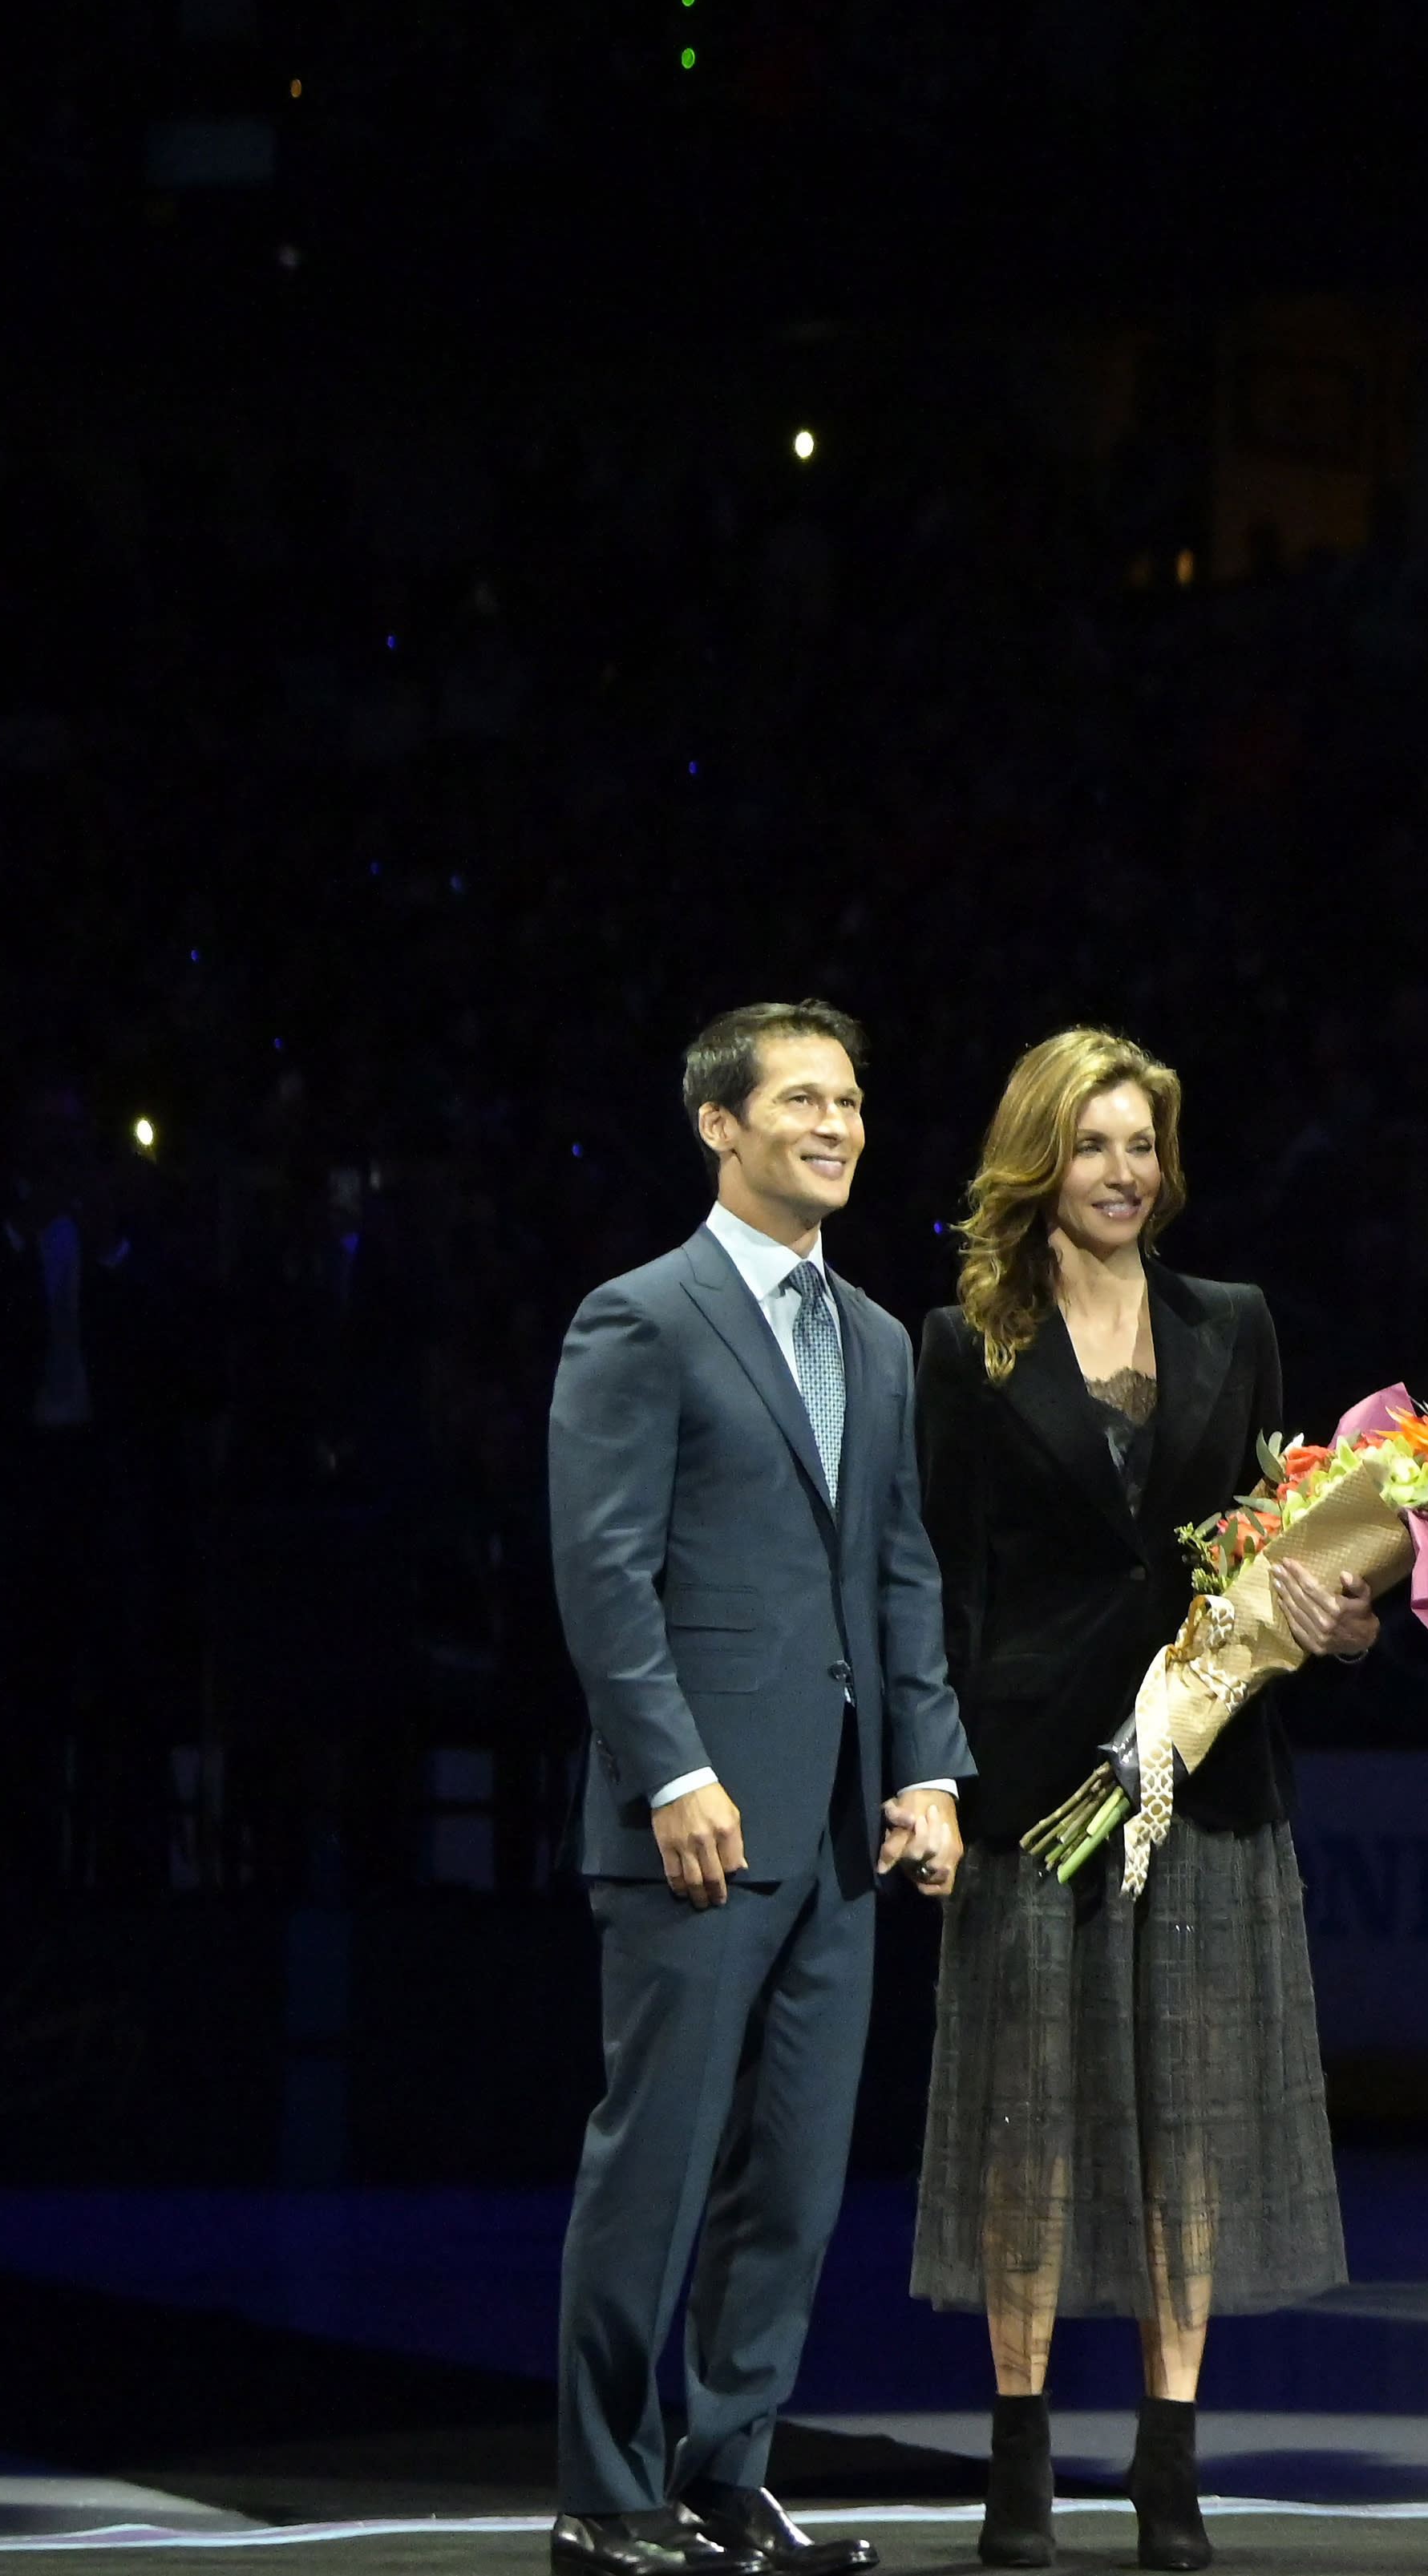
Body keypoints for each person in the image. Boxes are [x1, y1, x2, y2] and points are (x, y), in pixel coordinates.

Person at [910, 1030, 1360, 2571]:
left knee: (1193, 2125)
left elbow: (1275, 1539)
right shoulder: (959, 1339)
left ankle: (1169, 2462)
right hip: (1034, 1778)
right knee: (1027, 2122)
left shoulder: (1232, 1324)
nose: (1127, 1171)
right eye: (1097, 1143)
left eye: (1146, 1145)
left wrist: (1336, 1610)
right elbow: (939, 1582)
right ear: (1042, 1154)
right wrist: (941, 1774)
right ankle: (1021, 2459)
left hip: (1209, 1771)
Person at [544, 1004, 972, 2576]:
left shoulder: (872, 1333)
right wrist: (672, 1767)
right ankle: (603, 2493)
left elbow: (902, 1569)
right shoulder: (639, 1316)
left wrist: (926, 1769)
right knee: (654, 2164)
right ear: (719, 1125)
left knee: (789, 2179)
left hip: (845, 1830)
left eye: (851, 1099)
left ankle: (729, 2476)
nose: (837, 1123)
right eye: (801, 1098)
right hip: (700, 1818)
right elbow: (602, 1571)